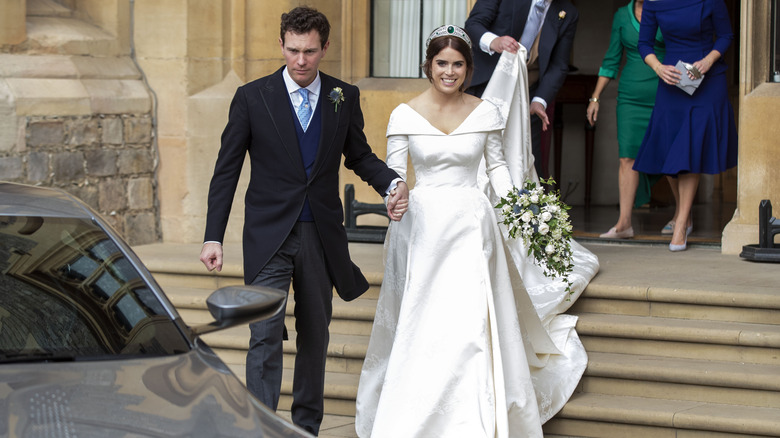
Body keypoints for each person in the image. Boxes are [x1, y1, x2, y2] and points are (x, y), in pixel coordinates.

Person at [355, 25, 598, 438]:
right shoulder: (404, 114)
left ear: (469, 69)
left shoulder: (486, 111)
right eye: (441, 63)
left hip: (472, 223)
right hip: (424, 227)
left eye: (458, 64)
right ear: (428, 66)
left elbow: (497, 167)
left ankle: (476, 418)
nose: (449, 72)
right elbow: (394, 177)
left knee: (470, 321)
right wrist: (392, 198)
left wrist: (522, 209)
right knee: (425, 321)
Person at [199, 7, 409, 435]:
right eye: (293, 50)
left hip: (320, 235)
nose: (300, 61)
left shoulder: (343, 96)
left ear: (324, 48)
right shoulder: (251, 97)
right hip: (268, 236)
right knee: (264, 334)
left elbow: (360, 156)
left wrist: (391, 184)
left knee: (315, 334)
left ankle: (306, 427)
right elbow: (226, 170)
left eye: (310, 52)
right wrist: (212, 237)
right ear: (281, 45)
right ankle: (262, 426)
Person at [633, 0, 737, 251]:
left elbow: (725, 35)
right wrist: (658, 67)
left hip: (707, 80)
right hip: (673, 80)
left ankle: (680, 223)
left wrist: (708, 61)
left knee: (689, 148)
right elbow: (644, 43)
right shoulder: (654, 3)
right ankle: (685, 212)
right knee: (669, 152)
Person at [586, 0, 671, 239]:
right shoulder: (622, 16)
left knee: (671, 155)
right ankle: (624, 223)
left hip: (666, 93)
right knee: (627, 157)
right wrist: (595, 98)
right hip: (630, 98)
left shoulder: (669, 8)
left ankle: (683, 218)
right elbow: (612, 59)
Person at [465, 0, 578, 177]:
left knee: (526, 158)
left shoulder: (568, 12)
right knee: (474, 151)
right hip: (485, 83)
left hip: (528, 92)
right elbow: (473, 25)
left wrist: (540, 100)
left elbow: (559, 64)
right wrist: (494, 41)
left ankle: (524, 203)